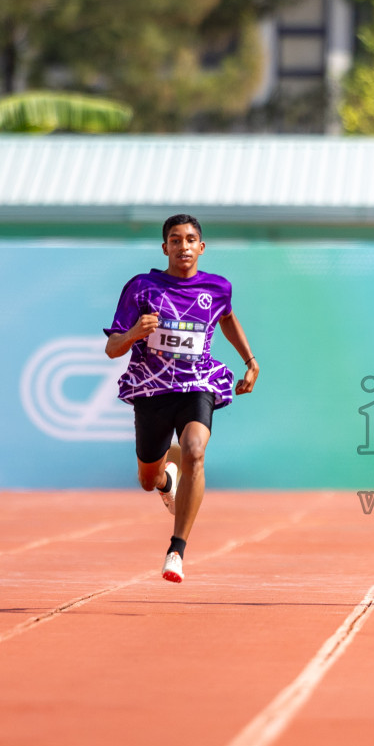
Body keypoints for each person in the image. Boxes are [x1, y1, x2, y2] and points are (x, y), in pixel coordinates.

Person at [104, 214, 258, 583]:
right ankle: (165, 483)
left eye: (190, 239)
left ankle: (177, 550)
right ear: (165, 248)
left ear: (201, 248)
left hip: (197, 384)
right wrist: (133, 334)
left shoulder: (218, 288)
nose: (183, 246)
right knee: (147, 478)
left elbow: (227, 318)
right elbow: (112, 348)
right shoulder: (142, 287)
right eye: (175, 240)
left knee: (193, 451)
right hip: (151, 389)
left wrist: (250, 361)